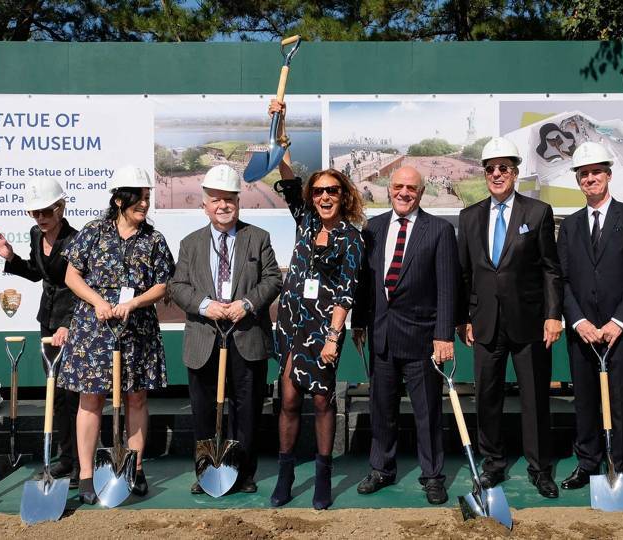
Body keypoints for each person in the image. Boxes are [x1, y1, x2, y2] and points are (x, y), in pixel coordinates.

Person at [57, 166, 175, 504]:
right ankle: (85, 476)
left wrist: (135, 302)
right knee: (90, 399)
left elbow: (164, 283)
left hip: (137, 327)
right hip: (94, 329)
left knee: (137, 397)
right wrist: (97, 302)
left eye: (147, 198)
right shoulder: (93, 232)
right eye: (138, 198)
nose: (144, 204)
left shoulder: (154, 240)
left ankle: (134, 469)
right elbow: (71, 276)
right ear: (119, 199)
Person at [270, 98, 366, 511]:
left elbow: (347, 292)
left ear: (343, 196)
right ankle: (286, 474)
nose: (324, 196)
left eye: (332, 191)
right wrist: (281, 124)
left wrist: (333, 336)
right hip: (291, 324)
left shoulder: (353, 238)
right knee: (289, 400)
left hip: (324, 329)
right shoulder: (306, 220)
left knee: (323, 400)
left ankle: (324, 475)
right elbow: (287, 172)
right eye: (319, 191)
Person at [457, 136, 563, 499]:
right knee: (486, 398)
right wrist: (464, 317)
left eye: (504, 168)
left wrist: (553, 315)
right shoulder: (469, 217)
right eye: (490, 169)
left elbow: (551, 269)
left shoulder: (537, 213)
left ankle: (540, 468)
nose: (497, 174)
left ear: (516, 172)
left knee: (535, 399)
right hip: (485, 323)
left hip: (529, 322)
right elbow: (465, 274)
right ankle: (493, 465)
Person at [169, 164, 282, 495]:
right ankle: (207, 473)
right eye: (215, 199)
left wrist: (245, 304)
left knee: (246, 410)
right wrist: (207, 306)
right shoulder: (190, 243)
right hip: (204, 338)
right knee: (204, 410)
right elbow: (178, 286)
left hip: (247, 337)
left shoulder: (258, 238)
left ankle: (243, 473)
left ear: (238, 201)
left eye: (229, 199)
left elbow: (273, 279)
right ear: (204, 204)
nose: (223, 206)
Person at [352, 165, 458, 506]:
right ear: (388, 188)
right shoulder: (374, 227)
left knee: (428, 413)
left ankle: (432, 476)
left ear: (421, 192)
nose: (403, 192)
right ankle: (381, 469)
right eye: (398, 186)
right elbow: (364, 282)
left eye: (411, 188)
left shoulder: (439, 230)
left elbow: (447, 288)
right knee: (381, 410)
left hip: (422, 341)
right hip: (381, 335)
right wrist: (357, 323)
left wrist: (443, 336)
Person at [556, 142, 623, 490]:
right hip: (583, 331)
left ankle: (619, 464)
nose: (591, 178)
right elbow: (562, 280)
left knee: (620, 399)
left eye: (597, 172)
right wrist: (579, 321)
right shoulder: (569, 226)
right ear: (578, 181)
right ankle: (586, 463)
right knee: (584, 400)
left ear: (608, 175)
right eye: (584, 174)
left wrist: (618, 322)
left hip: (620, 331)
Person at [0, 177, 80, 486]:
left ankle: (81, 461)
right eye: (34, 213)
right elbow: (39, 274)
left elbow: (83, 288)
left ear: (60, 208)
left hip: (72, 324)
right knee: (57, 396)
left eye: (46, 212)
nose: (40, 218)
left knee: (73, 395)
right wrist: (11, 258)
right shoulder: (35, 235)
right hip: (48, 323)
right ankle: (66, 459)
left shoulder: (76, 240)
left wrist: (68, 324)